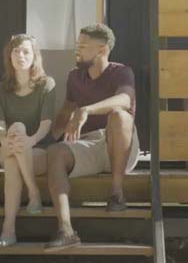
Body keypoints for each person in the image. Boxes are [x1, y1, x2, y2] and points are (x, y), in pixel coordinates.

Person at [43, 23, 139, 250]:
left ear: (102, 49)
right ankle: (66, 229)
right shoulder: (75, 77)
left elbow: (125, 100)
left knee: (119, 116)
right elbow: (66, 112)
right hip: (90, 145)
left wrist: (86, 109)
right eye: (78, 45)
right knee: (55, 152)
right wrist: (47, 141)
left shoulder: (122, 72)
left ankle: (116, 194)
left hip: (121, 145)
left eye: (83, 46)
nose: (77, 50)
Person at [0, 33, 57, 247]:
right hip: (7, 145)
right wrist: (4, 139)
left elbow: (46, 124)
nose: (20, 55)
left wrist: (30, 140)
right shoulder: (1, 89)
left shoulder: (47, 84)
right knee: (15, 129)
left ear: (34, 56)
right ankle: (33, 192)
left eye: (26, 51)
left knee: (12, 162)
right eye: (16, 51)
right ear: (9, 56)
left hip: (38, 149)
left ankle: (8, 229)